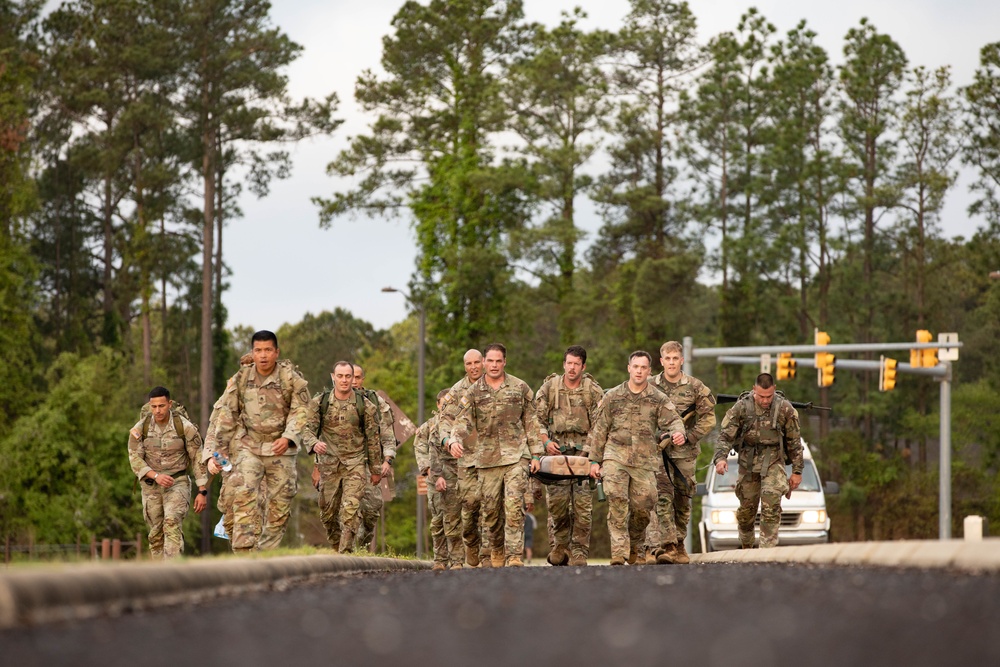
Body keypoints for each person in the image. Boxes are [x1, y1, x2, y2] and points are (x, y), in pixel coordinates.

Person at [207, 330, 310, 552]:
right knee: (244, 494)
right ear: (252, 353)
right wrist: (220, 450)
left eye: (267, 350)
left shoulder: (291, 379)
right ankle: (245, 556)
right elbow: (227, 415)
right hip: (249, 447)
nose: (263, 355)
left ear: (276, 352)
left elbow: (301, 410)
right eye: (258, 350)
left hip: (280, 448)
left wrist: (288, 437)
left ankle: (265, 554)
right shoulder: (240, 380)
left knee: (280, 504)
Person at [448, 343, 545, 568]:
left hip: (516, 455)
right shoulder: (472, 392)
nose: (493, 365)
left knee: (513, 505)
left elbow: (531, 422)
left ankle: (514, 555)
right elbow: (462, 420)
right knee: (491, 513)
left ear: (504, 362)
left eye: (498, 361)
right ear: (484, 363)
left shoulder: (520, 387)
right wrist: (455, 438)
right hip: (487, 460)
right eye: (489, 361)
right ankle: (498, 548)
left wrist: (536, 455)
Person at [587, 351, 685, 566]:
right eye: (636, 366)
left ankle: (635, 544)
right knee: (617, 501)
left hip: (644, 460)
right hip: (615, 456)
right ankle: (619, 553)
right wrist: (594, 461)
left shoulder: (657, 398)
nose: (639, 371)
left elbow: (674, 420)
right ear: (628, 368)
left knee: (643, 507)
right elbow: (600, 429)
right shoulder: (613, 396)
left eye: (643, 367)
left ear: (649, 371)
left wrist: (679, 432)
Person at [643, 340, 717, 565]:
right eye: (668, 358)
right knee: (660, 499)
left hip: (684, 454)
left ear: (682, 360)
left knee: (682, 500)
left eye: (676, 358)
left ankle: (679, 543)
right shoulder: (649, 385)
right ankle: (663, 546)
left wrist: (689, 435)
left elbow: (709, 418)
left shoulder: (695, 387)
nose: (672, 363)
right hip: (656, 453)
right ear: (661, 361)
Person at [713, 373, 804, 549]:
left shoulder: (785, 409)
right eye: (761, 396)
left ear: (774, 390)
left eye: (769, 396)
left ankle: (767, 551)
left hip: (774, 460)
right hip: (748, 461)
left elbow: (794, 442)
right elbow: (725, 436)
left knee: (771, 504)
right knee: (747, 512)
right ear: (754, 390)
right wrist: (721, 458)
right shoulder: (741, 408)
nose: (765, 401)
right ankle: (747, 548)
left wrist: (797, 471)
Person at [534, 345, 604, 567]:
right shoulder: (549, 388)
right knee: (557, 504)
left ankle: (579, 551)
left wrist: (588, 454)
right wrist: (546, 442)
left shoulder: (592, 391)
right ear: (563, 364)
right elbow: (535, 421)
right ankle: (559, 545)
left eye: (576, 364)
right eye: (569, 363)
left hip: (584, 455)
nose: (572, 368)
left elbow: (601, 425)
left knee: (583, 506)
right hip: (556, 455)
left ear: (583, 366)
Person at [302, 360, 382, 552]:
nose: (345, 380)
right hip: (328, 465)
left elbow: (373, 439)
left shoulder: (366, 406)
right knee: (328, 513)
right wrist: (314, 444)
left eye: (348, 376)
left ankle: (346, 553)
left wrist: (375, 470)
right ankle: (337, 546)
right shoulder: (320, 403)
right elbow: (307, 430)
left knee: (350, 510)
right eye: (340, 376)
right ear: (333, 377)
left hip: (355, 464)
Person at [127, 386, 207, 559]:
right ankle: (159, 574)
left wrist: (202, 491)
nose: (158, 410)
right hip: (151, 486)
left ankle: (173, 570)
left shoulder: (185, 428)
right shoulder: (140, 428)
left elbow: (197, 459)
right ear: (149, 406)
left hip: (177, 483)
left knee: (171, 523)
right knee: (155, 534)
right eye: (154, 406)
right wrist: (155, 476)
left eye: (162, 406)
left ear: (169, 404)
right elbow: (134, 459)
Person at [437, 348, 490, 567]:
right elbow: (444, 422)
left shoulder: (495, 385)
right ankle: (471, 541)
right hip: (467, 458)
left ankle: (489, 554)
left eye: (478, 362)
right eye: (469, 363)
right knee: (470, 507)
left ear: (484, 363)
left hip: (493, 456)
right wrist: (448, 441)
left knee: (492, 505)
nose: (474, 367)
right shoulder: (457, 391)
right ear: (464, 366)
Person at [415, 390, 463, 570]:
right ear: (437, 405)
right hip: (434, 475)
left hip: (458, 475)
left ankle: (457, 559)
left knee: (455, 518)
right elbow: (421, 450)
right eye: (443, 404)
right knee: (438, 520)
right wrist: (431, 473)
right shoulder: (428, 427)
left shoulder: (461, 424)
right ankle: (440, 559)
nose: (446, 407)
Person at [352, 364, 397, 551]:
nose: (352, 381)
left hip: (370, 463)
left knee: (371, 509)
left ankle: (361, 545)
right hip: (343, 463)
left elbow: (387, 434)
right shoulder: (330, 400)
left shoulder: (375, 402)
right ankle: (345, 549)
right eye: (349, 376)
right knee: (346, 509)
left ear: (362, 379)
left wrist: (387, 460)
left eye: (357, 377)